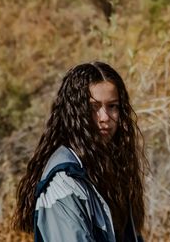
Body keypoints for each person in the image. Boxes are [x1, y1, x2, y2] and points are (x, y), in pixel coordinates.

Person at [12, 61, 148, 242]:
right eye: (94, 107)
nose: (104, 117)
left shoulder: (113, 168)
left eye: (112, 106)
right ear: (75, 111)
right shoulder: (63, 180)